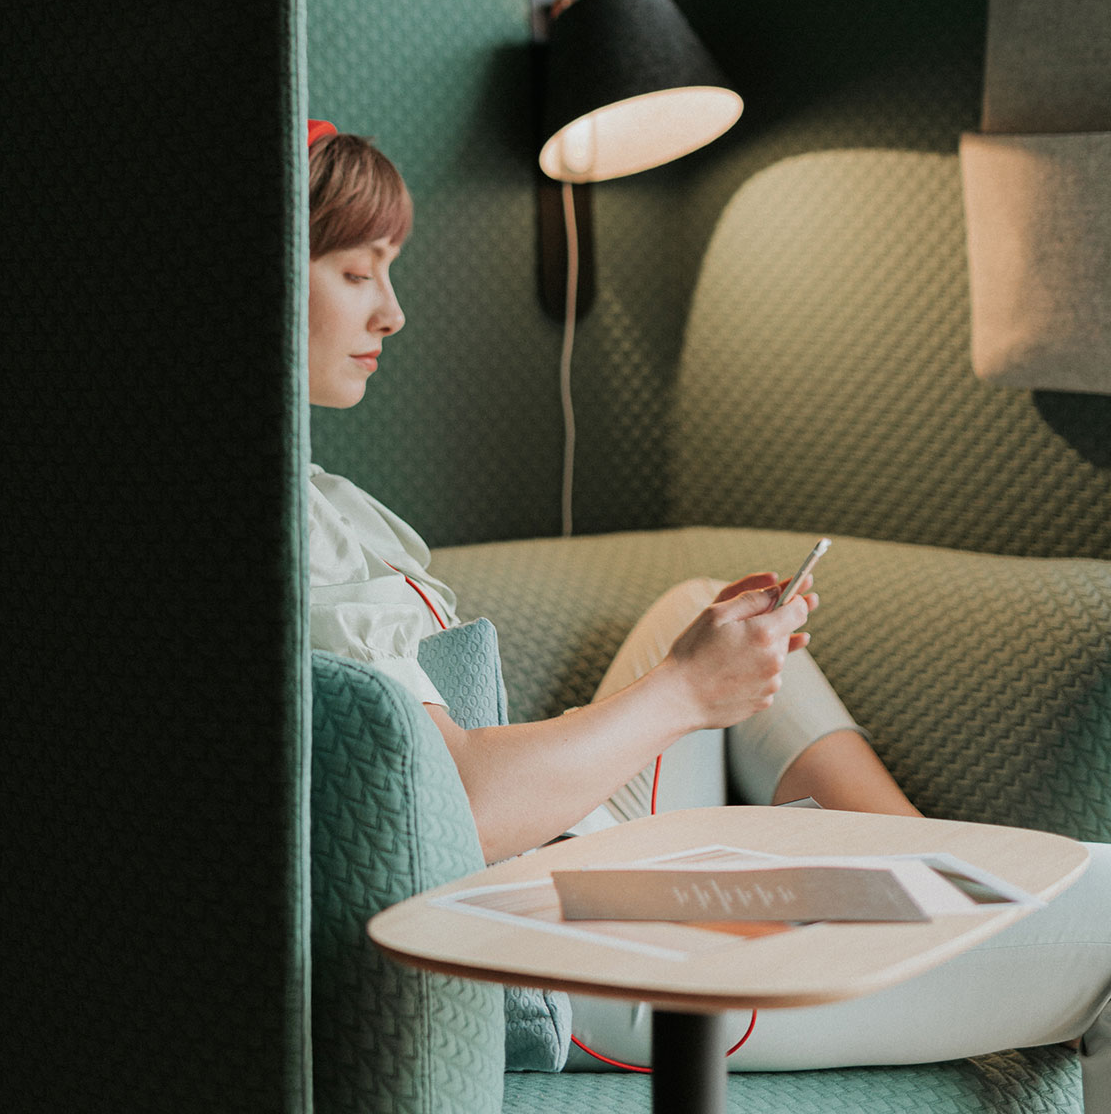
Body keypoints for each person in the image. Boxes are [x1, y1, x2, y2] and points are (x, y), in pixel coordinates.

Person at [303, 122, 1111, 1098]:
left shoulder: (319, 499)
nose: (392, 313)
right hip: (542, 969)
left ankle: (924, 878)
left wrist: (698, 666)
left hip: (551, 872)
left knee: (700, 605)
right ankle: (939, 912)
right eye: (358, 272)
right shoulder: (291, 530)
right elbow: (456, 810)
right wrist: (687, 691)